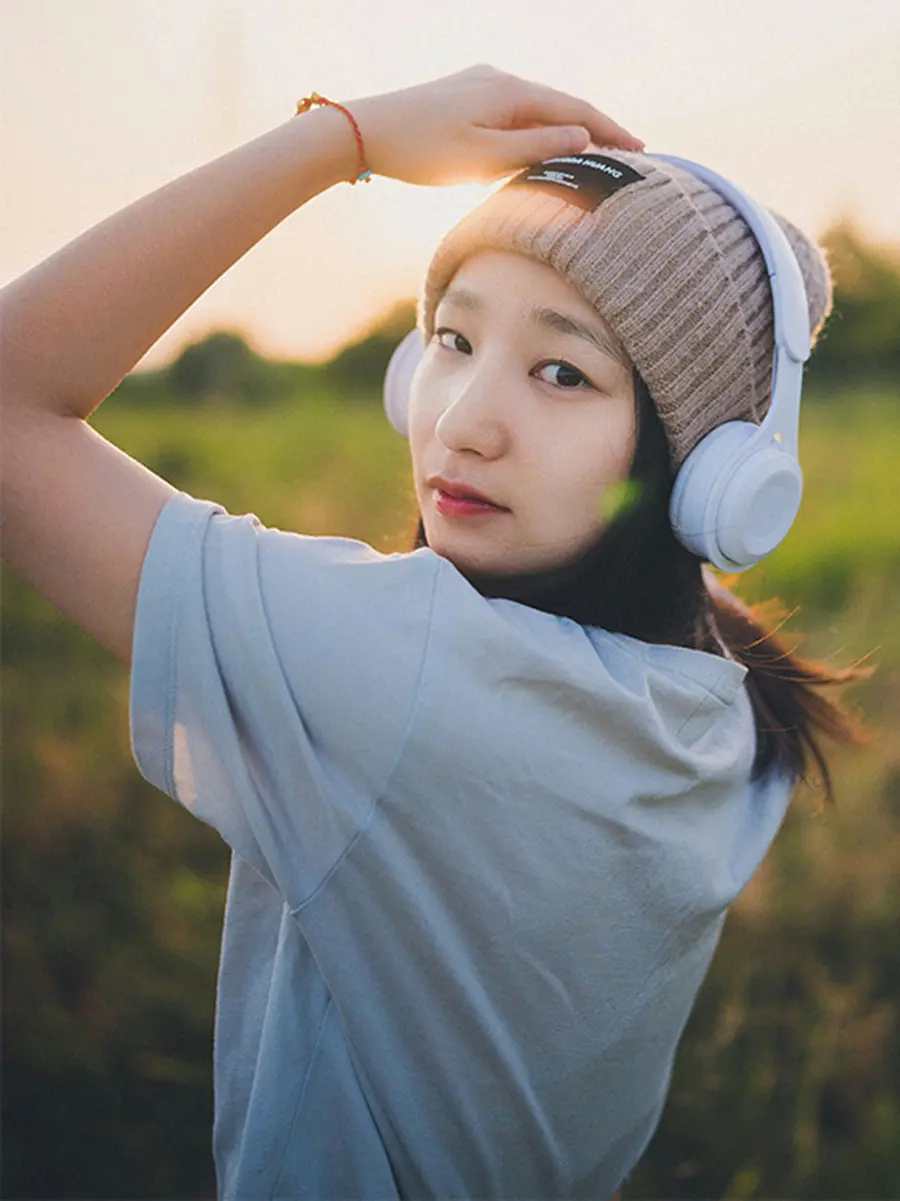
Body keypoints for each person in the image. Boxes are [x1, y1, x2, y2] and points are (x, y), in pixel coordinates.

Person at [1, 64, 868, 1199]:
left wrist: (339, 141)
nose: (461, 422)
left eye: (562, 371)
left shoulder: (409, 672)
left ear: (704, 471)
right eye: (452, 342)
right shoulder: (718, 686)